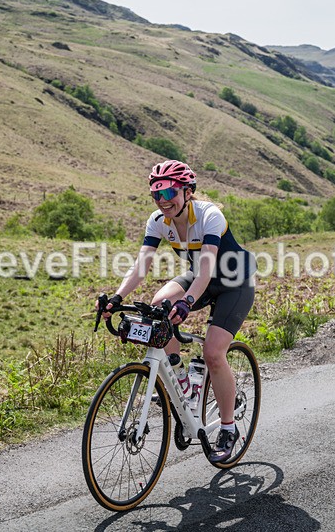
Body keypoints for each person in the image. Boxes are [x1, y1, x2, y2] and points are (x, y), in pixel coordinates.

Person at [97, 159, 256, 463]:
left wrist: (186, 302)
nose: (163, 201)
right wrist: (116, 297)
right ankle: (181, 380)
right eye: (156, 194)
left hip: (233, 283)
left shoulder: (209, 215)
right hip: (201, 278)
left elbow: (207, 266)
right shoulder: (158, 221)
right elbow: (141, 266)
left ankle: (227, 428)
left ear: (187, 191)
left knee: (212, 352)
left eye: (169, 192)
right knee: (158, 307)